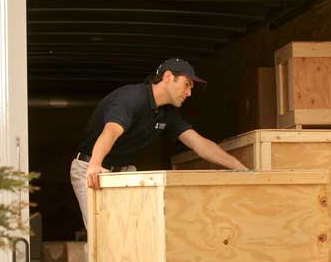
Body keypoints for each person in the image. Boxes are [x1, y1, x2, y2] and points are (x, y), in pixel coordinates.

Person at [70, 58, 247, 227]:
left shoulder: (167, 113)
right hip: (93, 168)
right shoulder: (132, 98)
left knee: (134, 233)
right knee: (103, 235)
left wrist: (240, 168)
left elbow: (198, 143)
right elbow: (111, 131)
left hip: (123, 171)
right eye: (187, 85)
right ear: (168, 77)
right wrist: (95, 164)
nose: (189, 93)